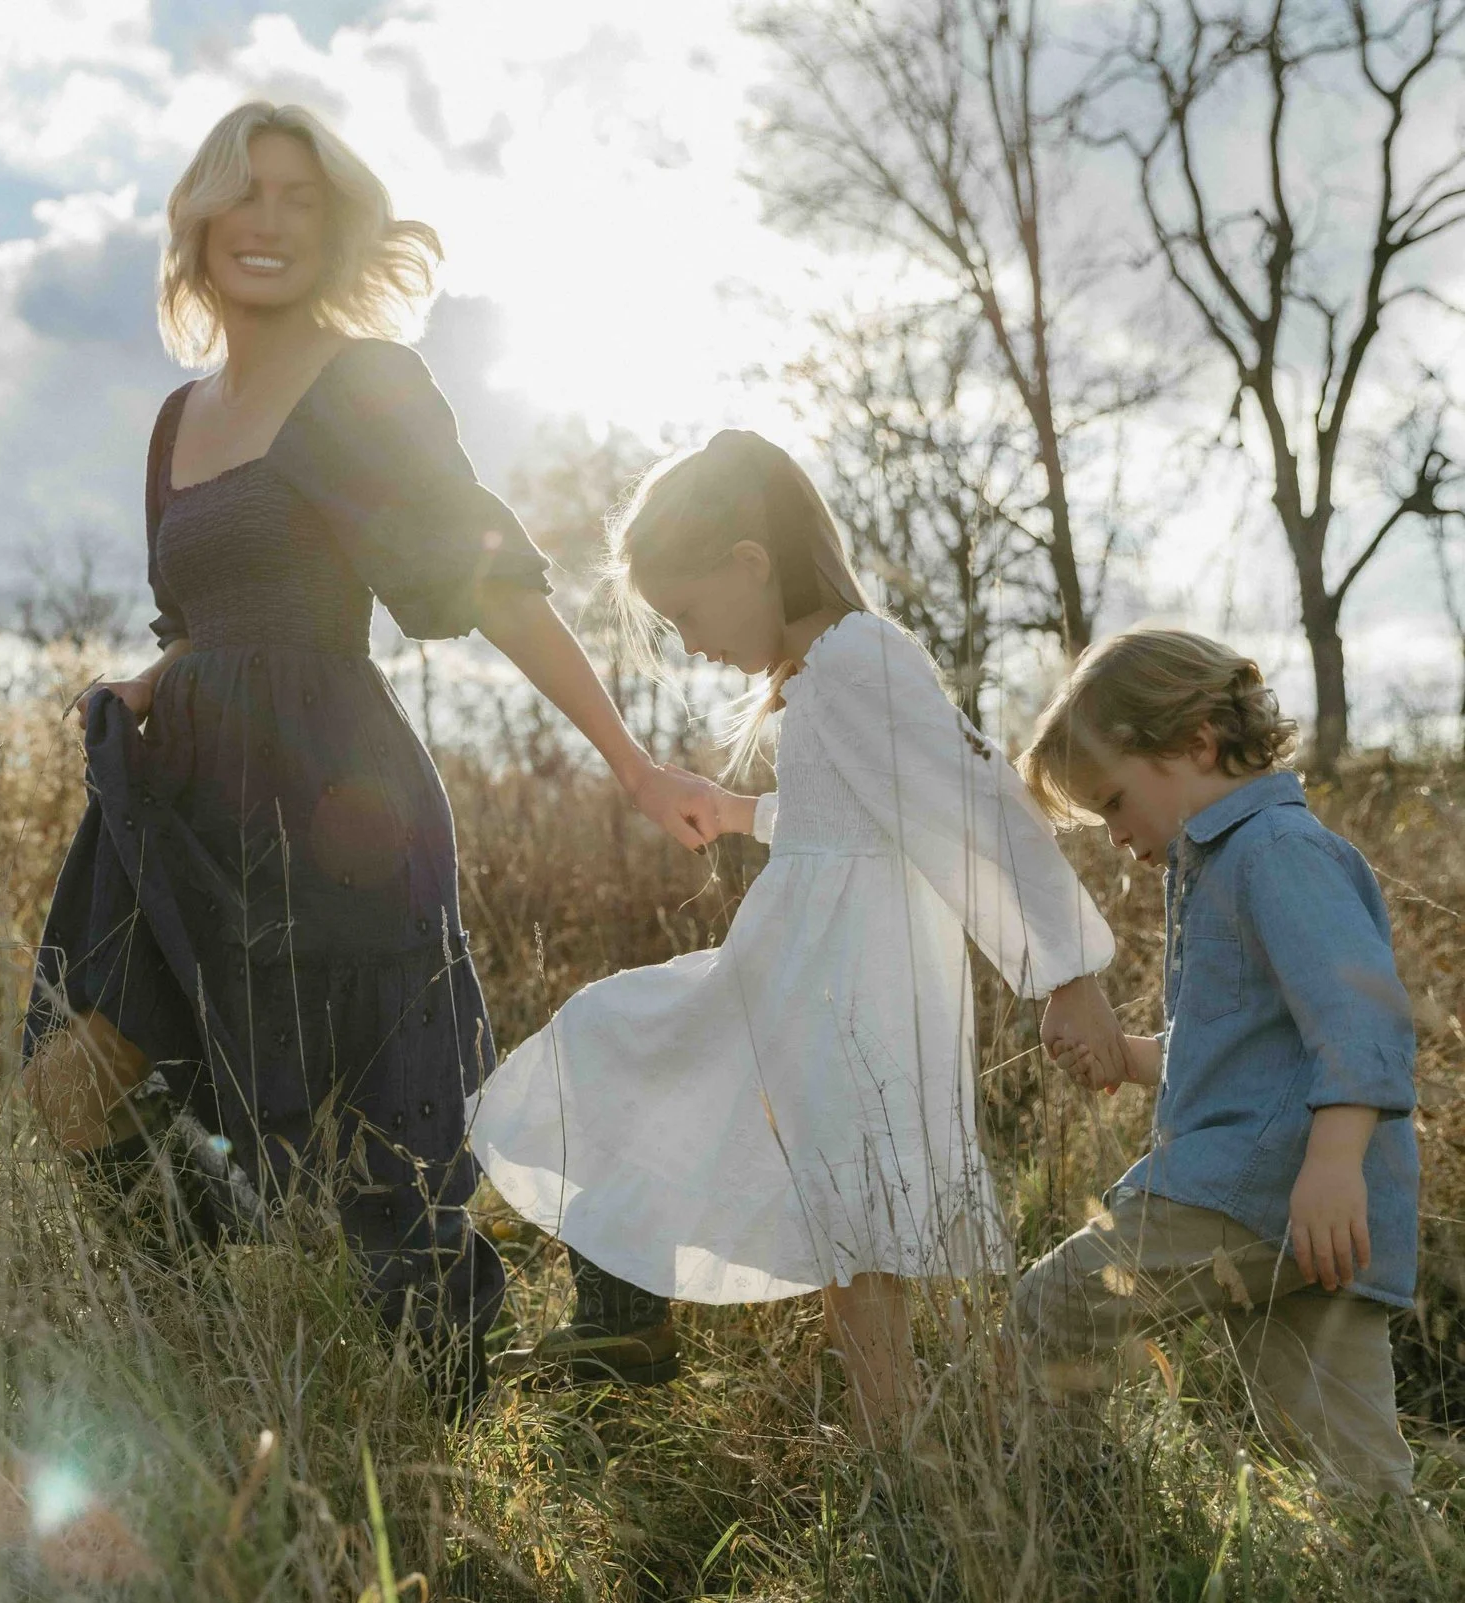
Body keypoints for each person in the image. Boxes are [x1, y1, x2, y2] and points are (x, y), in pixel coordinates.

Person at [21, 100, 738, 1411]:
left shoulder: (363, 386)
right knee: (72, 1076)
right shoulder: (177, 420)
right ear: (198, 220)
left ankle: (456, 1398)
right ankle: (223, 1287)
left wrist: (634, 764)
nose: (273, 220)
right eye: (249, 193)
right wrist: (150, 677)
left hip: (328, 789)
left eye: (304, 199)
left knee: (379, 1142)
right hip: (180, 799)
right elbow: (194, 621)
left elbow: (488, 582)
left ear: (338, 229)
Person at [467, 429, 1125, 1440]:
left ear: (749, 564)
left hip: (843, 987)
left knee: (849, 1216)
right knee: (831, 1209)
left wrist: (1064, 972)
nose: (687, 642)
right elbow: (854, 819)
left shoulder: (860, 660)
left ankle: (886, 1443)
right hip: (802, 978)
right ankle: (852, 1419)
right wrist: (738, 813)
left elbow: (972, 809)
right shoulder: (830, 675)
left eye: (685, 612)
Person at [1012, 628, 1419, 1498]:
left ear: (1196, 741)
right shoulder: (1226, 862)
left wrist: (1335, 1165)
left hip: (1271, 1190)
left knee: (1053, 1305)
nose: (1116, 835)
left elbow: (1361, 1017)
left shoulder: (1275, 850)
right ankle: (1404, 1600)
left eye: (1115, 802)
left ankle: (1079, 1516)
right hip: (1299, 1207)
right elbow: (1252, 1050)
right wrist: (1130, 1054)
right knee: (1345, 1463)